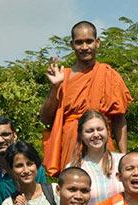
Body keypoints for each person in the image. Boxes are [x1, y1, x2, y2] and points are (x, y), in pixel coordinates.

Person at [40, 20, 132, 176]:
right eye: (79, 42)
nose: (84, 47)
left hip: (101, 141)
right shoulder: (64, 76)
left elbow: (119, 118)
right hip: (71, 144)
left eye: (89, 41)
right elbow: (46, 118)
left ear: (97, 43)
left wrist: (124, 157)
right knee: (74, 191)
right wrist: (55, 87)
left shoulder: (108, 74)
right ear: (72, 45)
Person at [0, 116, 48, 204]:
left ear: (14, 136)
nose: (0, 140)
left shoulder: (34, 169)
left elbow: (43, 200)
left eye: (5, 134)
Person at [68, 109, 124, 205]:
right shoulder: (74, 168)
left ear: (107, 130)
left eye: (100, 129)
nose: (96, 134)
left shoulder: (122, 161)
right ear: (81, 135)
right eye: (90, 131)